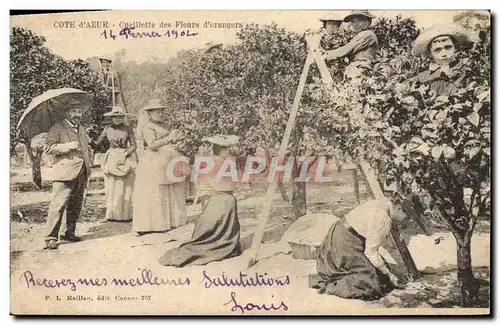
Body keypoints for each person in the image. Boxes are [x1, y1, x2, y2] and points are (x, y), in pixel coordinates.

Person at [159, 135, 242, 267]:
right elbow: (228, 186)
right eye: (227, 149)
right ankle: (222, 244)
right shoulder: (221, 164)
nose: (229, 152)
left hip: (214, 201)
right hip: (223, 200)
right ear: (221, 150)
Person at [309, 198, 405, 300]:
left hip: (337, 231)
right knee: (370, 285)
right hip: (346, 243)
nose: (405, 219)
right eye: (406, 216)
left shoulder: (384, 202)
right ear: (399, 209)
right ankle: (333, 287)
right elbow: (371, 252)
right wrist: (389, 273)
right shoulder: (383, 219)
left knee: (380, 274)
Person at [132, 99, 187, 236]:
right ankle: (154, 223)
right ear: (150, 114)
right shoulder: (148, 127)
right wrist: (169, 139)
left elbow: (172, 140)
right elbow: (151, 145)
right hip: (154, 160)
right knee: (155, 191)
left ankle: (171, 220)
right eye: (157, 112)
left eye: (161, 111)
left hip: (167, 158)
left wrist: (177, 139)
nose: (160, 114)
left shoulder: (166, 126)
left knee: (170, 189)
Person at [43, 98, 92, 249]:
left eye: (79, 111)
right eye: (74, 111)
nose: (77, 114)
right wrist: (68, 146)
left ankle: (69, 232)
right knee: (58, 204)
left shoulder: (82, 128)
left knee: (75, 204)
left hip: (81, 171)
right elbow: (48, 148)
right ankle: (51, 237)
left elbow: (85, 149)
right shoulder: (57, 128)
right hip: (64, 172)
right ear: (67, 113)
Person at [93, 106, 137, 222]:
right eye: (115, 117)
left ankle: (126, 215)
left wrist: (126, 154)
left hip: (124, 156)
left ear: (123, 117)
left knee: (125, 186)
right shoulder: (107, 129)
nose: (117, 119)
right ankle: (111, 215)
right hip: (111, 157)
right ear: (111, 118)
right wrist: (89, 140)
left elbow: (134, 145)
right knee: (111, 186)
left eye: (120, 117)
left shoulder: (128, 128)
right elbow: (97, 144)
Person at [412, 24, 472, 97]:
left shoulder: (464, 69)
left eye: (448, 47)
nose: (444, 54)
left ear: (455, 48)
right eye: (437, 50)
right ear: (429, 53)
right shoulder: (424, 75)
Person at [322, 10, 378, 84]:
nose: (355, 24)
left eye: (359, 21)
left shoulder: (367, 34)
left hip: (361, 69)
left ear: (367, 21)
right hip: (354, 69)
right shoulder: (359, 35)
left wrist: (326, 54)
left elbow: (346, 49)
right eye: (353, 22)